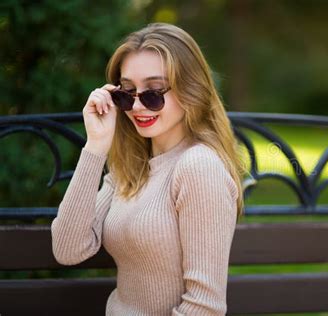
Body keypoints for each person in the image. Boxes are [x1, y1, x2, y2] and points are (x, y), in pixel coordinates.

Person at [51, 22, 246, 315]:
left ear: (190, 89)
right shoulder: (130, 167)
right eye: (126, 93)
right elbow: (67, 249)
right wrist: (95, 147)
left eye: (154, 92)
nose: (138, 107)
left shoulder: (198, 167)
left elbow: (205, 307)